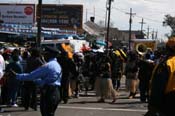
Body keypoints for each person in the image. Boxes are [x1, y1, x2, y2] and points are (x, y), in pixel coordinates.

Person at [11, 46, 62, 116]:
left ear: (49, 54)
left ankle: (28, 105)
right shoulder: (57, 65)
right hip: (55, 92)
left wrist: (17, 76)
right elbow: (49, 79)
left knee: (46, 113)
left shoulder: (48, 66)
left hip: (48, 92)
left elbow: (31, 76)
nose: (43, 56)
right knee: (50, 113)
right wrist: (38, 80)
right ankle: (33, 105)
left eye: (45, 54)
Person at [145, 37, 175, 116]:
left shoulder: (167, 64)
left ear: (168, 48)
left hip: (169, 102)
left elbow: (158, 87)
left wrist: (153, 106)